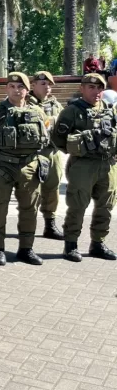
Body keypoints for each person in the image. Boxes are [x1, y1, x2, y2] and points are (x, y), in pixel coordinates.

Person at [0, 73, 50, 266]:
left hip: (29, 167)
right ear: (6, 88)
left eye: (20, 86)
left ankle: (26, 248)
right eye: (12, 86)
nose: (16, 90)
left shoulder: (38, 112)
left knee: (29, 209)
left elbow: (45, 136)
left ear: (27, 89)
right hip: (3, 167)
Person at [52, 73, 117, 262]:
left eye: (99, 88)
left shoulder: (110, 109)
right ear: (82, 88)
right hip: (83, 166)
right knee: (77, 206)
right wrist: (79, 149)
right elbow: (58, 139)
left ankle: (98, 243)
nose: (96, 92)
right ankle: (71, 244)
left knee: (106, 206)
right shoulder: (72, 111)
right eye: (91, 87)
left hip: (108, 164)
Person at [28, 71, 64, 240]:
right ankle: (27, 226)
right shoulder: (24, 103)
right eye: (43, 84)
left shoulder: (56, 105)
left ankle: (50, 224)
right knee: (30, 190)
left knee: (52, 189)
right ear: (33, 85)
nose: (47, 87)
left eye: (49, 84)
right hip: (31, 154)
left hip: (52, 153)